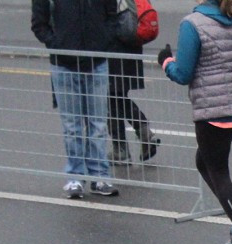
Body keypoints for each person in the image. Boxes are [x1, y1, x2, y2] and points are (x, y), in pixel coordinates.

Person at [158, 0, 232, 244]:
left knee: (218, 172)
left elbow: (183, 73)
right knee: (204, 163)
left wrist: (165, 62)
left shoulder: (192, 24)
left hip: (212, 110)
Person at [31, 0, 120, 199]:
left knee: (98, 124)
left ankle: (100, 176)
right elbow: (39, 23)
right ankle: (75, 177)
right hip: (64, 63)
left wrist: (103, 41)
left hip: (96, 60)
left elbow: (113, 16)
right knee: (72, 126)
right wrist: (57, 44)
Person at [106, 15, 160, 165]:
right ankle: (143, 132)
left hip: (112, 47)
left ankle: (121, 150)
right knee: (117, 96)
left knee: (110, 98)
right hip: (131, 45)